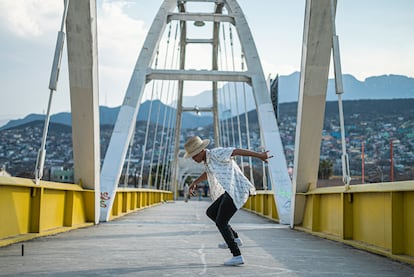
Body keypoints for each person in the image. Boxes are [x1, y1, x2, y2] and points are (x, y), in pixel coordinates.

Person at [184, 136, 273, 266]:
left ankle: (237, 255)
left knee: (221, 221)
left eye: (194, 156)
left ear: (201, 151)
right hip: (230, 190)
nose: (193, 159)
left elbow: (235, 151)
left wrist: (259, 155)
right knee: (211, 212)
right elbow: (208, 173)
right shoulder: (208, 161)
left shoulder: (216, 153)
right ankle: (234, 238)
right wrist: (194, 183)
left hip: (238, 189)